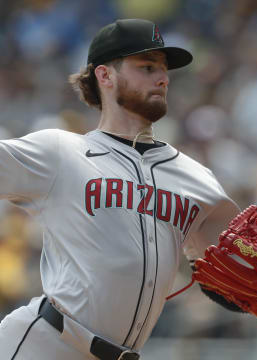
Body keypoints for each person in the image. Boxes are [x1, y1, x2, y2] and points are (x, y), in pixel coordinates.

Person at [0, 19, 241, 360]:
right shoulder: (59, 153)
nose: (163, 77)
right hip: (47, 345)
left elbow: (232, 271)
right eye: (146, 67)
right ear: (105, 76)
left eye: (163, 69)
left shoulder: (197, 179)